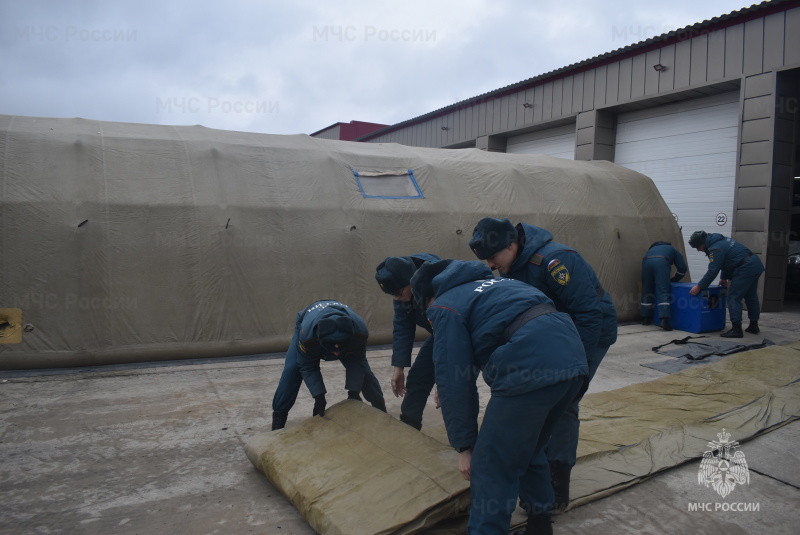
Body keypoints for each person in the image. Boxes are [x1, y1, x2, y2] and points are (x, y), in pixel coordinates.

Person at [410, 259, 587, 535]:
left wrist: (465, 446)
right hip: (573, 360)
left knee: (491, 467)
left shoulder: (444, 305)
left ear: (429, 298)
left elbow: (455, 380)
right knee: (528, 447)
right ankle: (540, 524)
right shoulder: (504, 284)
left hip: (529, 368)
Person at [468, 217, 617, 511]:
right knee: (540, 397)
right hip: (554, 333)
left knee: (566, 402)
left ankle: (558, 481)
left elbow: (588, 314)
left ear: (511, 245)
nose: (491, 266)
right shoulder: (512, 266)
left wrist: (580, 370)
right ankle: (539, 463)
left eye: (493, 257)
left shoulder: (554, 261)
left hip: (590, 332)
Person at [271, 300, 386, 430]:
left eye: (339, 350)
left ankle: (381, 409)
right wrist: (319, 396)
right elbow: (307, 366)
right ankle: (278, 419)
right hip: (308, 320)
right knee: (292, 371)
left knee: (365, 373)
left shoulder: (359, 332)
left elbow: (357, 362)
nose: (337, 354)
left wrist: (353, 392)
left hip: (346, 336)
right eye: (333, 350)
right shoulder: (307, 336)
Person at [375, 253, 440, 430]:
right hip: (440, 334)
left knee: (456, 386)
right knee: (418, 378)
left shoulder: (440, 283)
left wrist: (445, 379)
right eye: (391, 294)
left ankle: (466, 445)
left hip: (466, 337)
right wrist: (399, 368)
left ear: (412, 280)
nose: (396, 299)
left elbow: (453, 335)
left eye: (398, 293)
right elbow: (403, 328)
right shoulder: (401, 285)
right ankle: (409, 428)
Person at [687, 230, 765, 338]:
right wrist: (724, 278)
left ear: (703, 243)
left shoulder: (715, 248)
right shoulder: (721, 240)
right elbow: (727, 261)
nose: (698, 250)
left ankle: (736, 329)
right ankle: (753, 325)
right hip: (754, 264)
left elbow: (712, 271)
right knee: (751, 296)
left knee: (733, 297)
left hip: (745, 268)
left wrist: (699, 287)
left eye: (697, 247)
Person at [640, 241, 688, 331]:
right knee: (663, 289)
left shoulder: (652, 249)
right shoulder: (672, 249)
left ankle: (645, 318)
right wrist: (675, 279)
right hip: (661, 262)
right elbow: (682, 268)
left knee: (647, 288)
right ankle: (664, 320)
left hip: (646, 262)